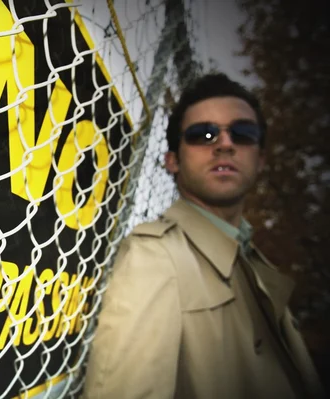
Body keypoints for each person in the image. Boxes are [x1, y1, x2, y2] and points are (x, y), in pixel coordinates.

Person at [82, 73, 325, 398]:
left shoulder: (251, 257)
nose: (225, 143)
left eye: (243, 133)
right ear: (173, 161)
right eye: (202, 134)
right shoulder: (156, 256)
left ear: (260, 158)